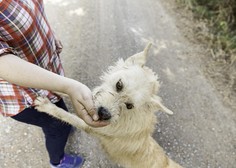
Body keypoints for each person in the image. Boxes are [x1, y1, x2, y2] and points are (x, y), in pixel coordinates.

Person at [0, 0, 108, 167]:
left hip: (46, 78)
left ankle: (62, 126)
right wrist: (70, 87)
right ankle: (57, 162)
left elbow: (33, 10)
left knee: (60, 108)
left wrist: (49, 32)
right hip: (22, 95)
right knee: (58, 126)